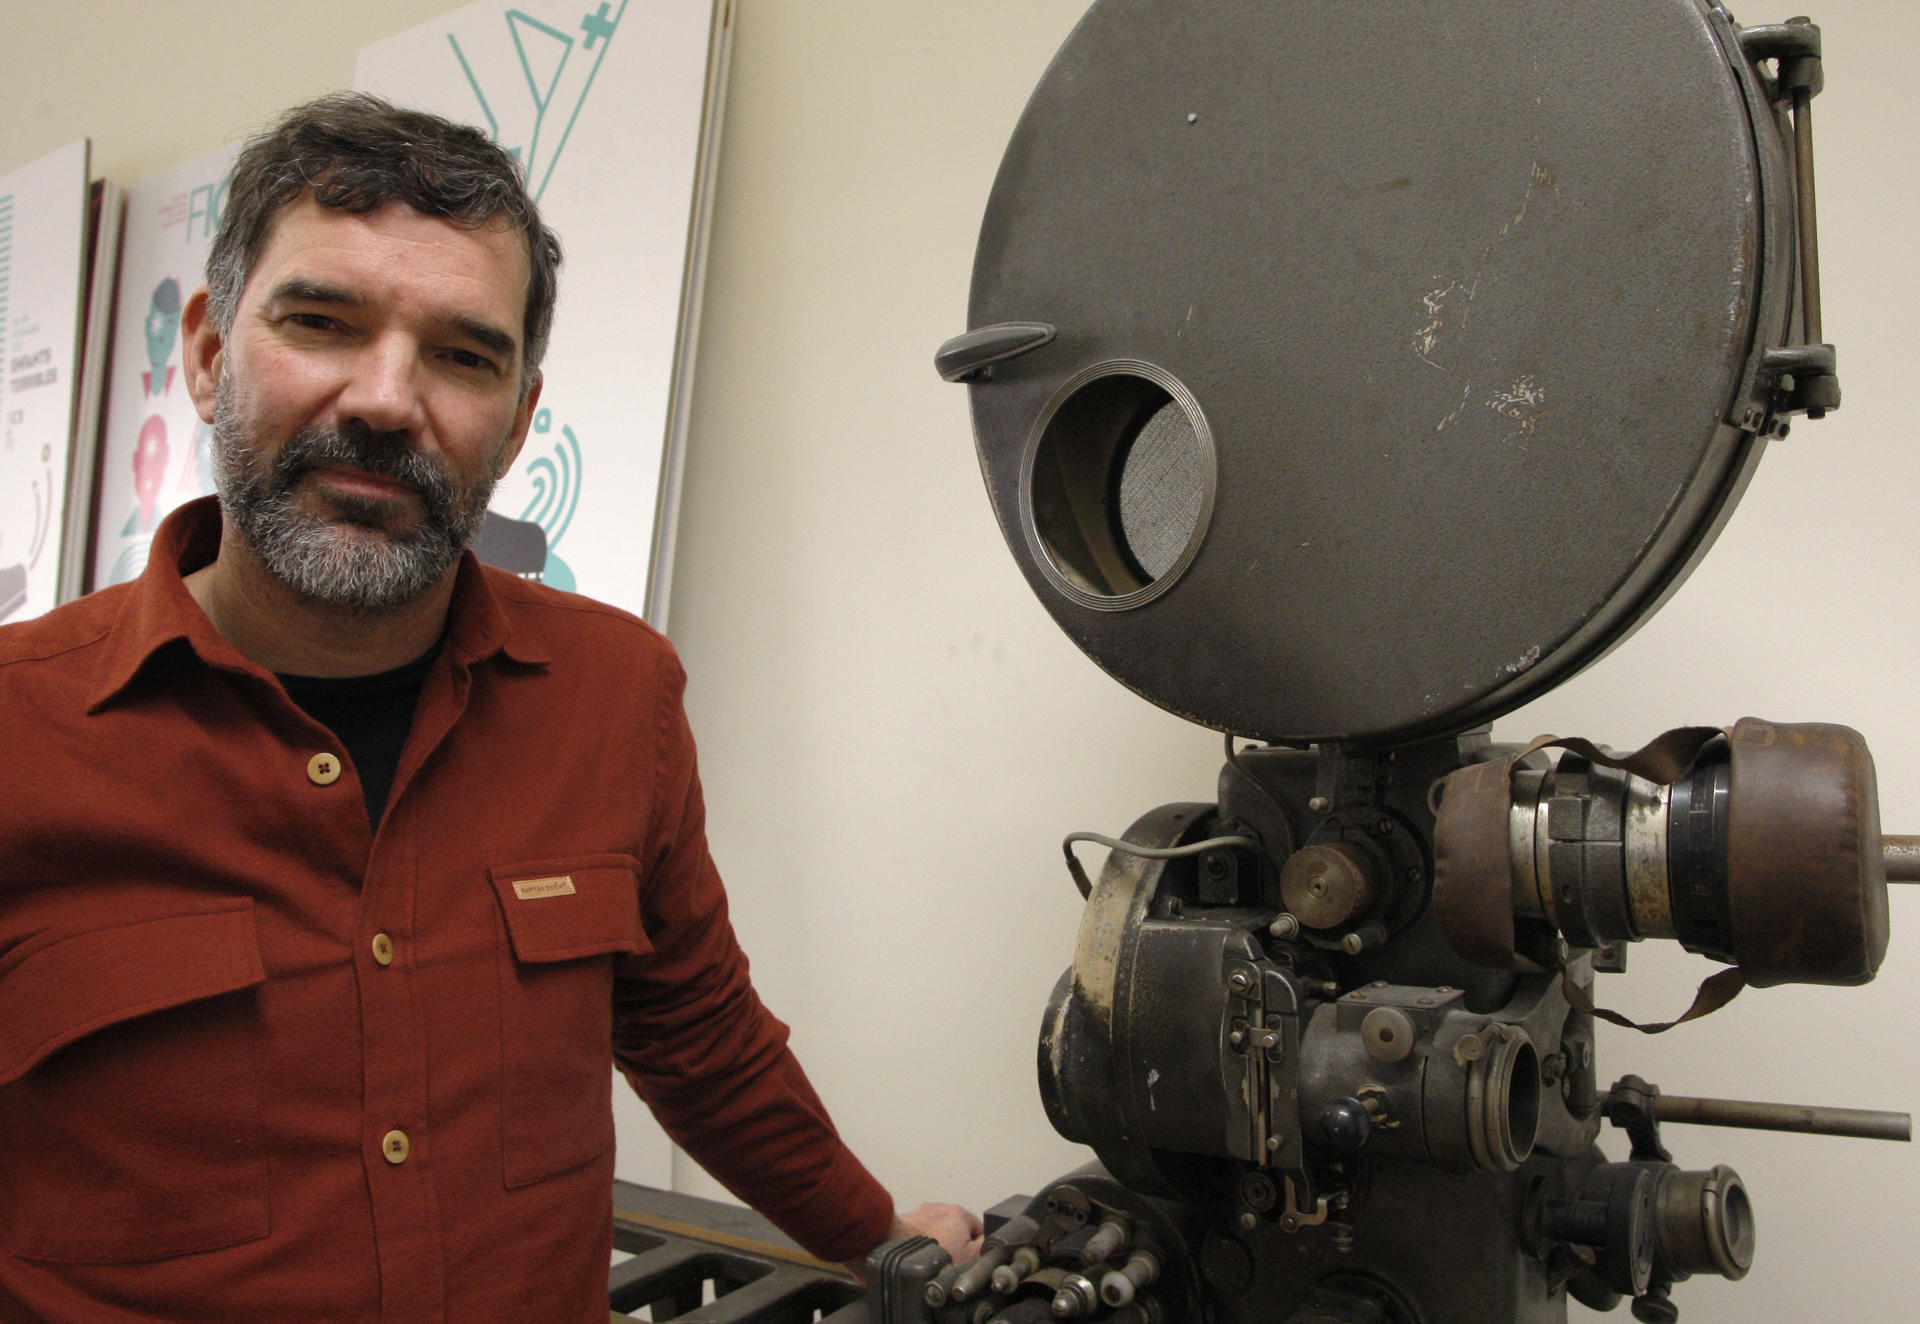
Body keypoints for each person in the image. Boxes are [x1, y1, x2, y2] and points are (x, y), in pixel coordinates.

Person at [0, 93, 980, 1322]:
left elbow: (699, 1035)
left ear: (518, 419)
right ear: (205, 352)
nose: (384, 399)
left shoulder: (615, 695)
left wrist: (877, 1234)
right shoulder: (19, 734)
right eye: (321, 322)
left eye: (463, 355)